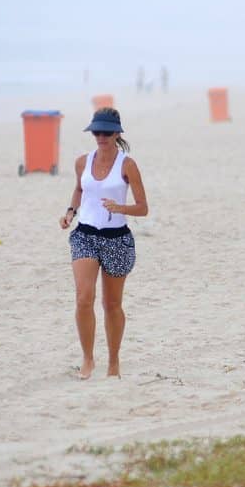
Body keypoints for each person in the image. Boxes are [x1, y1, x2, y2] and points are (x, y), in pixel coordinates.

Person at [59, 107, 149, 379]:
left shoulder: (127, 165)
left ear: (117, 133)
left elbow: (143, 208)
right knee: (84, 298)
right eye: (96, 131)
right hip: (85, 234)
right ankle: (87, 360)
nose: (101, 137)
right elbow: (79, 189)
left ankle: (113, 362)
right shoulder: (82, 162)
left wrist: (120, 208)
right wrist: (70, 212)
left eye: (107, 132)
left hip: (116, 239)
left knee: (112, 305)